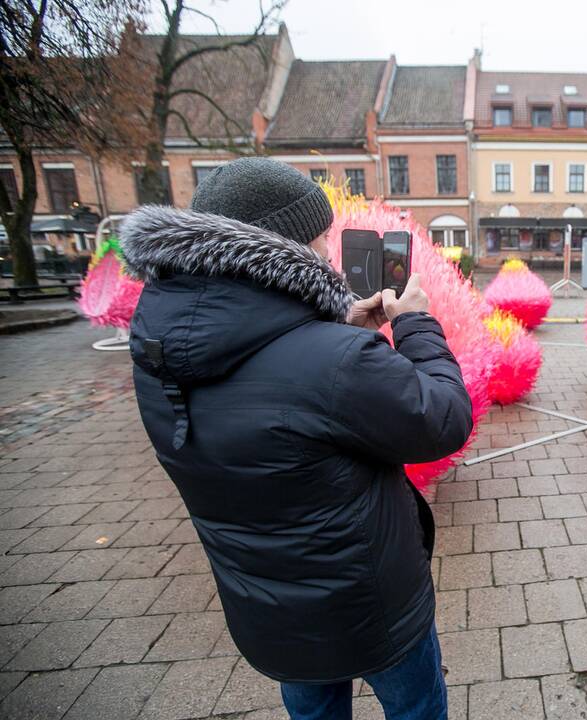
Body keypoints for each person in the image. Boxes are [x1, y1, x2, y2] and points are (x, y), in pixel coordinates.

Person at [120, 157, 473, 720]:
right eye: (321, 239)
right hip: (370, 602)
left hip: (269, 611)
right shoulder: (332, 361)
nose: (328, 253)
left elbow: (277, 414)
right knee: (417, 710)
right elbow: (444, 419)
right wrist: (415, 323)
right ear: (284, 248)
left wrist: (333, 337)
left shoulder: (156, 350)